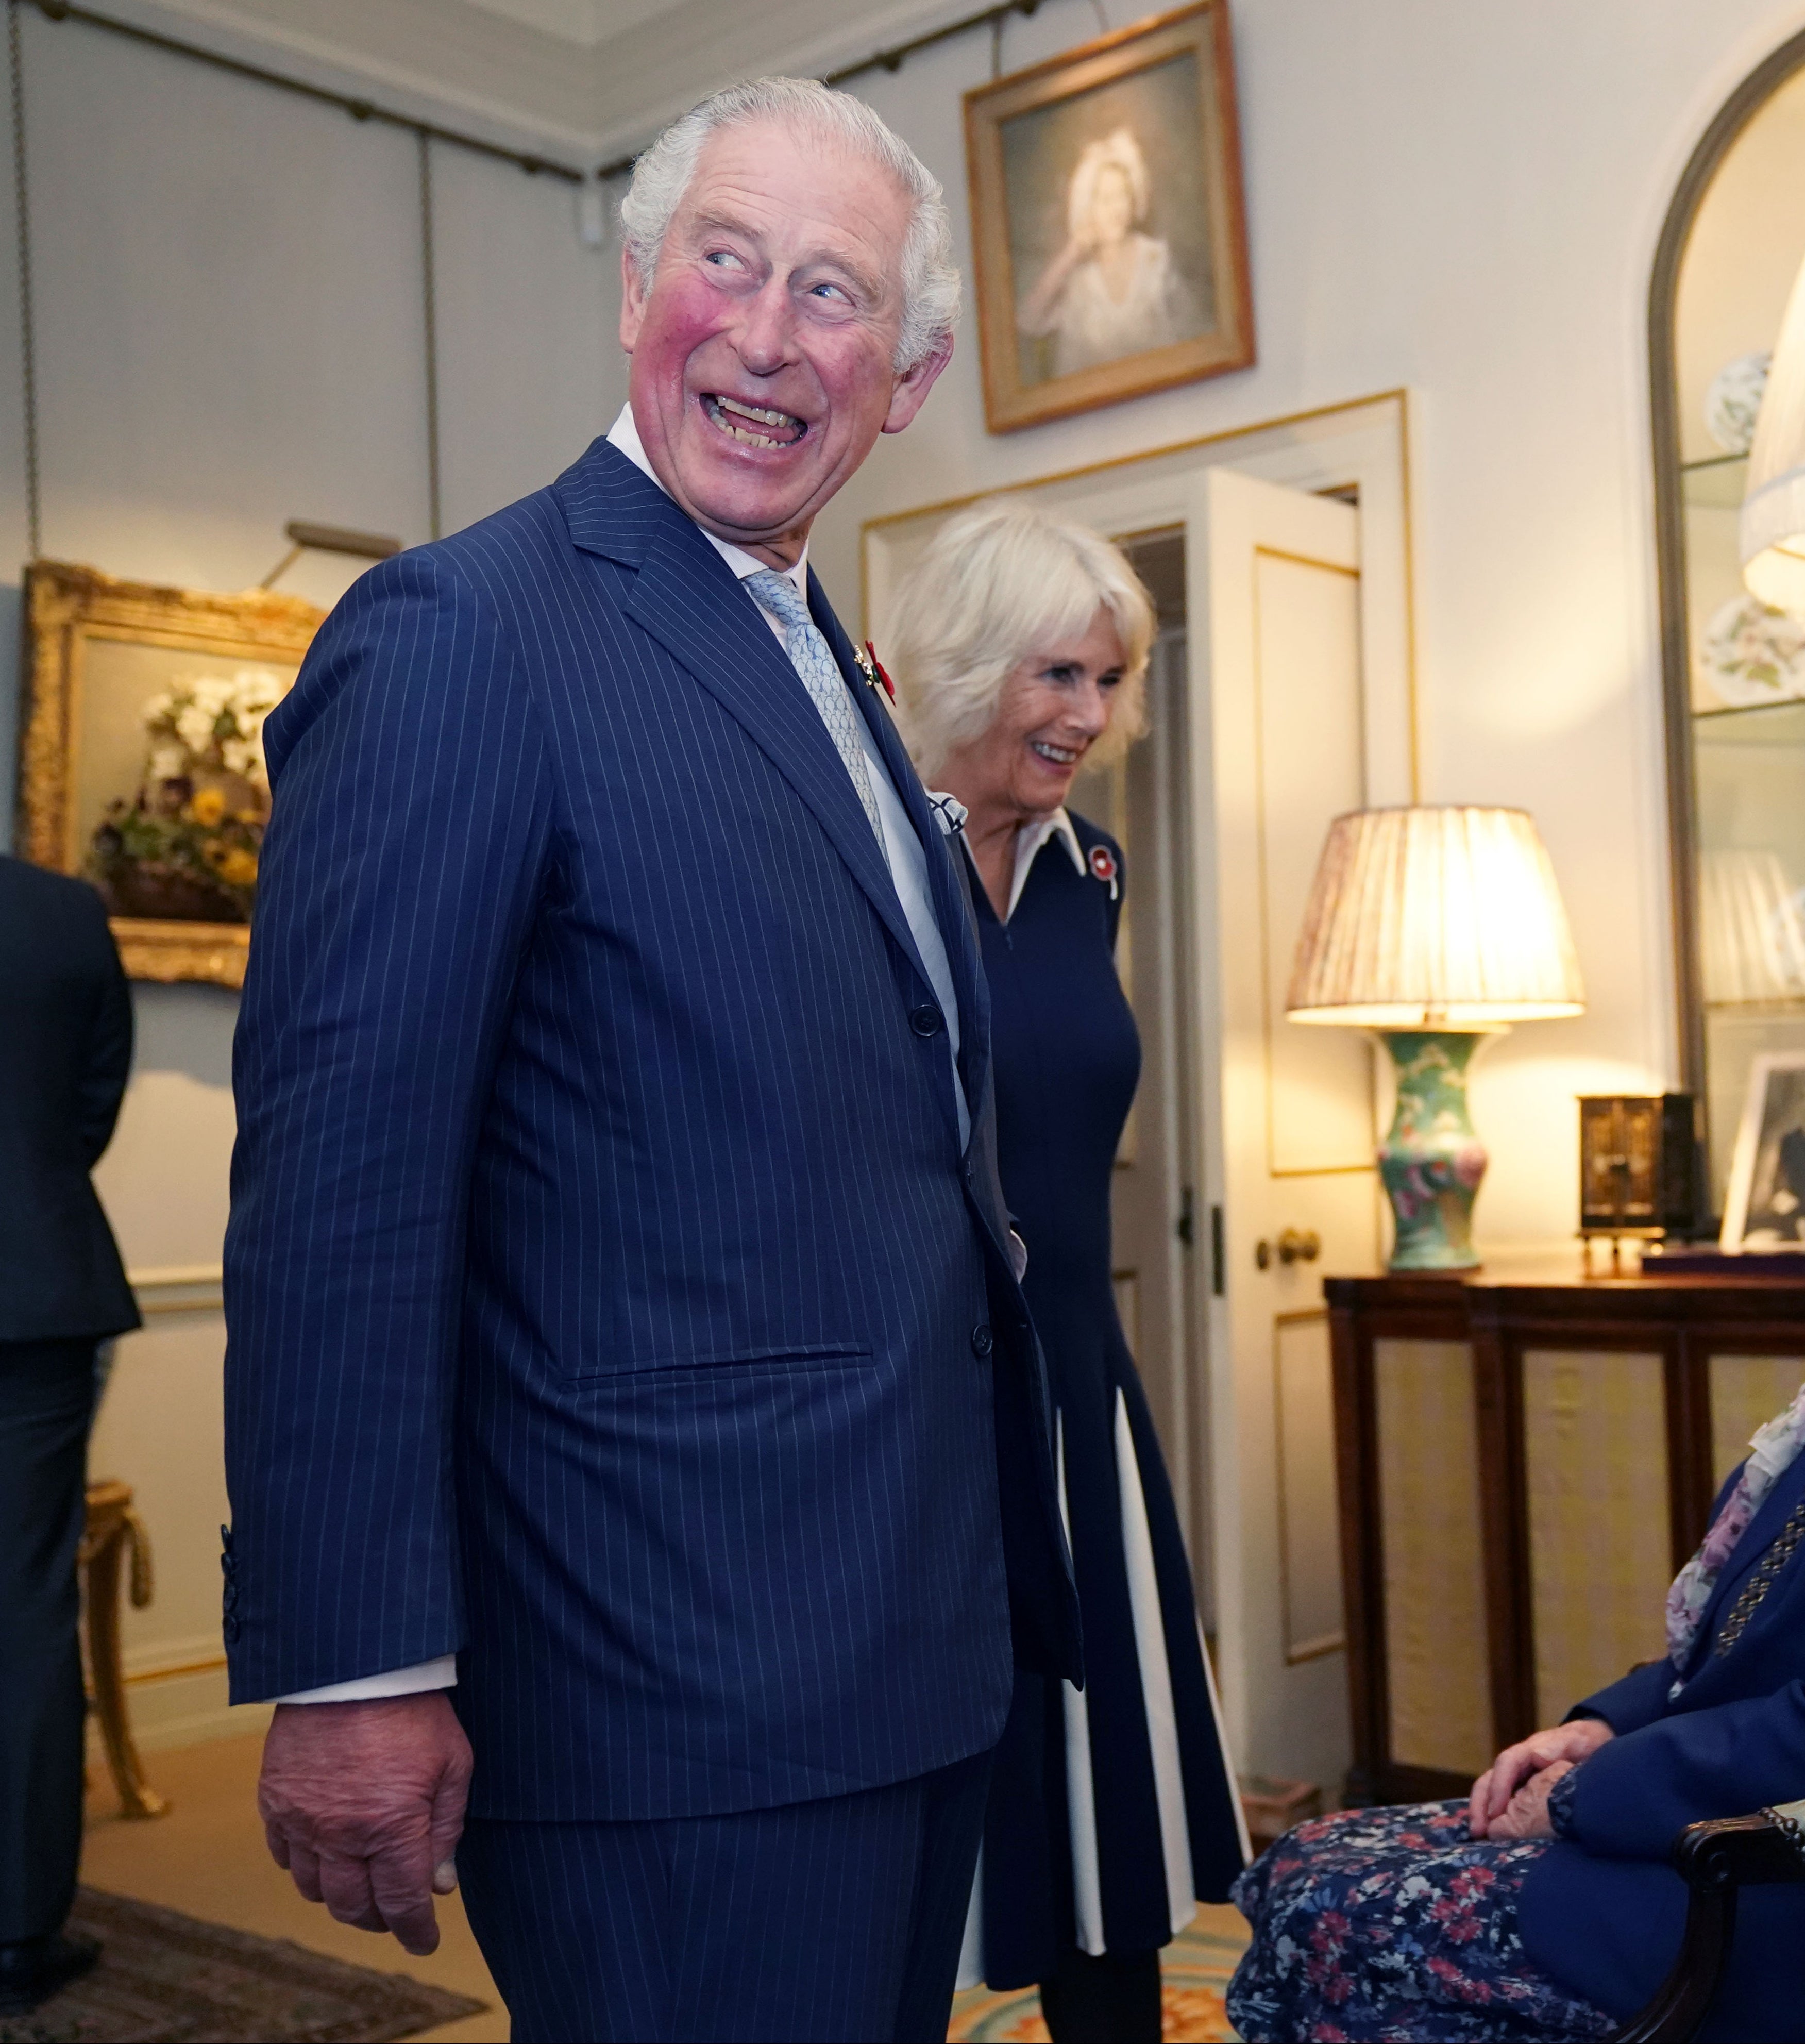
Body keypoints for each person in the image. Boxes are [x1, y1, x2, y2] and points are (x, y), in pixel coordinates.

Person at [221, 77, 1077, 2044]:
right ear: (634, 292)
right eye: (725, 262)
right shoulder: (463, 635)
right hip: (661, 1683)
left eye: (833, 295)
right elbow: (345, 1192)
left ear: (912, 373)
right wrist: (354, 1659)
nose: (768, 336)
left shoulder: (826, 669)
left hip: (900, 1652)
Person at [1227, 1040, 1805, 2043]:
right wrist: (1603, 1727)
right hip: (1698, 1825)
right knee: (1301, 1864)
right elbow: (1740, 1644)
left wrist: (1584, 1797)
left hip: (1791, 1896)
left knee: (1327, 1908)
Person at [886, 498, 1249, 2042]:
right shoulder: (857, 844)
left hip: (1075, 1381)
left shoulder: (1089, 859)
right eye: (1057, 676)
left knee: (1108, 1811)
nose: (1090, 716)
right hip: (902, 1398)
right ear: (965, 666)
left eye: (1108, 681)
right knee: (909, 1822)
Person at [0, 856, 137, 2016]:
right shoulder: (61, 911)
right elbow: (94, 1099)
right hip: (36, 1296)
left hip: (39, 1302)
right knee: (25, 1609)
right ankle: (17, 1928)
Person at [1017, 130, 1205, 378]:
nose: (1116, 209)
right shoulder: (1079, 281)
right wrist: (1072, 252)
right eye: (1105, 200)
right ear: (1088, 208)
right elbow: (1028, 321)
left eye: (1121, 196)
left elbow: (1196, 335)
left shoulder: (1156, 259)